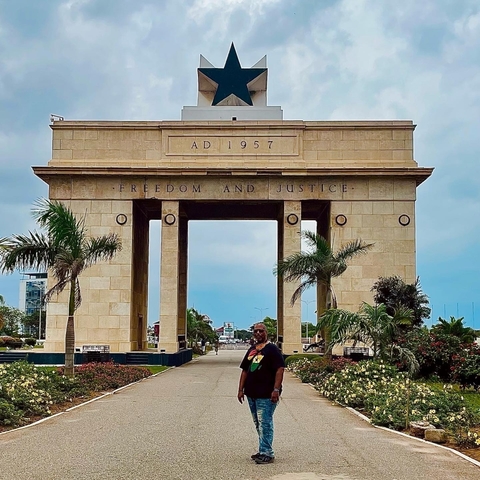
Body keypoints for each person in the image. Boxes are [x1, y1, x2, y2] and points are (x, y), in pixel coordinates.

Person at [237, 323, 285, 464]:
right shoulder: (252, 350)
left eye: (261, 331)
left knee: (265, 423)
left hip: (267, 394)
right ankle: (263, 449)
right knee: (258, 423)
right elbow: (245, 370)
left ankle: (267, 453)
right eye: (256, 331)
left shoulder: (272, 350)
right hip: (251, 393)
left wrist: (276, 390)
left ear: (266, 332)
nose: (258, 333)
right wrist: (240, 390)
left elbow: (280, 369)